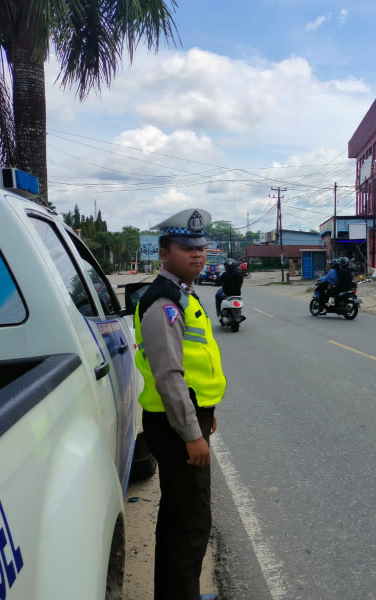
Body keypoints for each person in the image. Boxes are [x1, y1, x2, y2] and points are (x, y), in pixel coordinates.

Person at [133, 208, 225, 600]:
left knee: (179, 516)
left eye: (201, 248)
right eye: (187, 248)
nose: (198, 254)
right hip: (176, 427)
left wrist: (208, 413)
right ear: (164, 252)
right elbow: (169, 376)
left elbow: (194, 364)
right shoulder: (164, 302)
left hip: (184, 419)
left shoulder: (182, 295)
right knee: (190, 522)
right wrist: (192, 433)